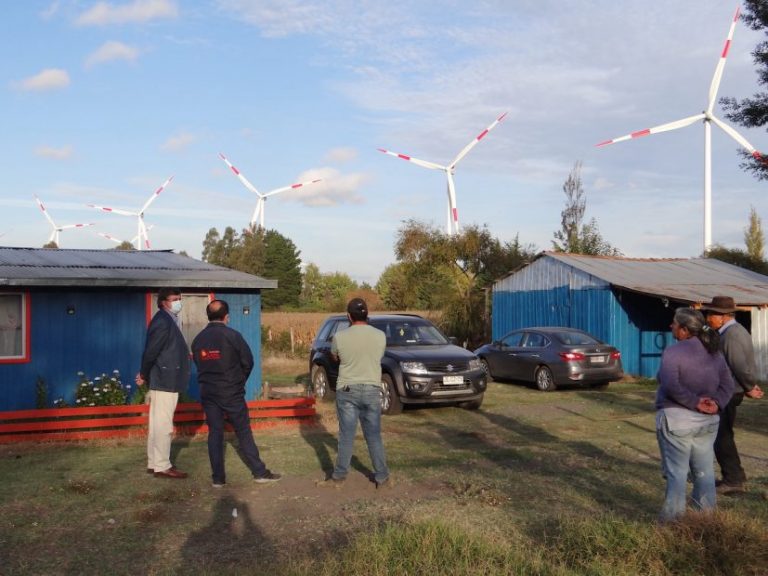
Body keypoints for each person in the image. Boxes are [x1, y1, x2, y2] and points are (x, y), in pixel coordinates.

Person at [655, 307, 734, 523]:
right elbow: (728, 384)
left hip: (677, 421)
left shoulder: (674, 352)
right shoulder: (714, 352)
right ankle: (706, 519)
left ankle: (672, 522)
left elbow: (671, 385)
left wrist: (694, 402)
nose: (671, 326)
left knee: (677, 474)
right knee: (705, 471)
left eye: (674, 323)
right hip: (707, 422)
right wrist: (716, 403)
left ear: (684, 329)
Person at [191, 299, 281, 487]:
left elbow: (199, 364)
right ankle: (259, 472)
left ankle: (218, 479)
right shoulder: (233, 336)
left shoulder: (198, 339)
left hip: (208, 392)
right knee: (243, 432)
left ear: (208, 316)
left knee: (215, 433)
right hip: (231, 391)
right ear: (227, 317)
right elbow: (248, 361)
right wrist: (239, 381)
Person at [321, 297, 389, 488]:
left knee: (346, 435)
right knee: (374, 435)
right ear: (367, 314)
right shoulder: (380, 336)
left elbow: (335, 356)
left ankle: (339, 476)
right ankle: (382, 476)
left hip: (347, 389)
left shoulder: (340, 337)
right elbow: (379, 356)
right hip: (371, 389)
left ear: (348, 316)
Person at [702, 295, 764, 494]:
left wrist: (748, 387)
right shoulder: (730, 332)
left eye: (710, 314)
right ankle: (735, 474)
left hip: (728, 391)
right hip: (730, 389)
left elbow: (738, 365)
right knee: (723, 434)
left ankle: (733, 480)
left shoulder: (731, 335)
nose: (708, 318)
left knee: (721, 436)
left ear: (722, 316)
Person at [136, 288, 191, 479]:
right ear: (163, 302)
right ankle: (162, 465)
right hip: (165, 379)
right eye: (175, 299)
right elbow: (151, 351)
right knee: (164, 425)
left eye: (179, 298)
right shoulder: (162, 321)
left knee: (157, 424)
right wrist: (143, 373)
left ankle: (154, 463)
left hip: (165, 378)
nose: (178, 302)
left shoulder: (168, 320)